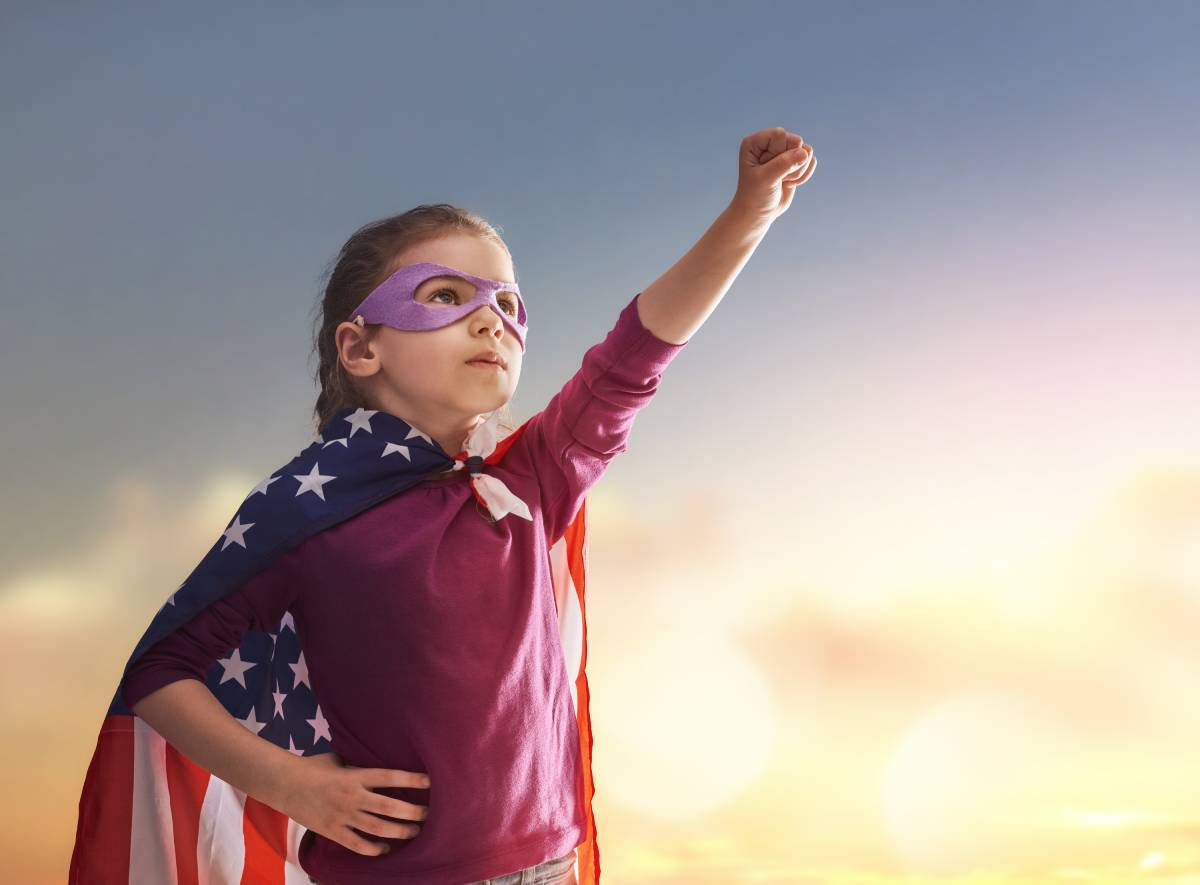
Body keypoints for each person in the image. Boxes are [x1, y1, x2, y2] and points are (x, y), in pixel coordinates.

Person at [68, 127, 817, 885]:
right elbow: (162, 668)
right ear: (362, 348)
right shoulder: (301, 512)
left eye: (509, 304)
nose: (492, 320)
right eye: (446, 297)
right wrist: (290, 784)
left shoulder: (529, 480)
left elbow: (636, 355)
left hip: (552, 862)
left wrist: (749, 213)